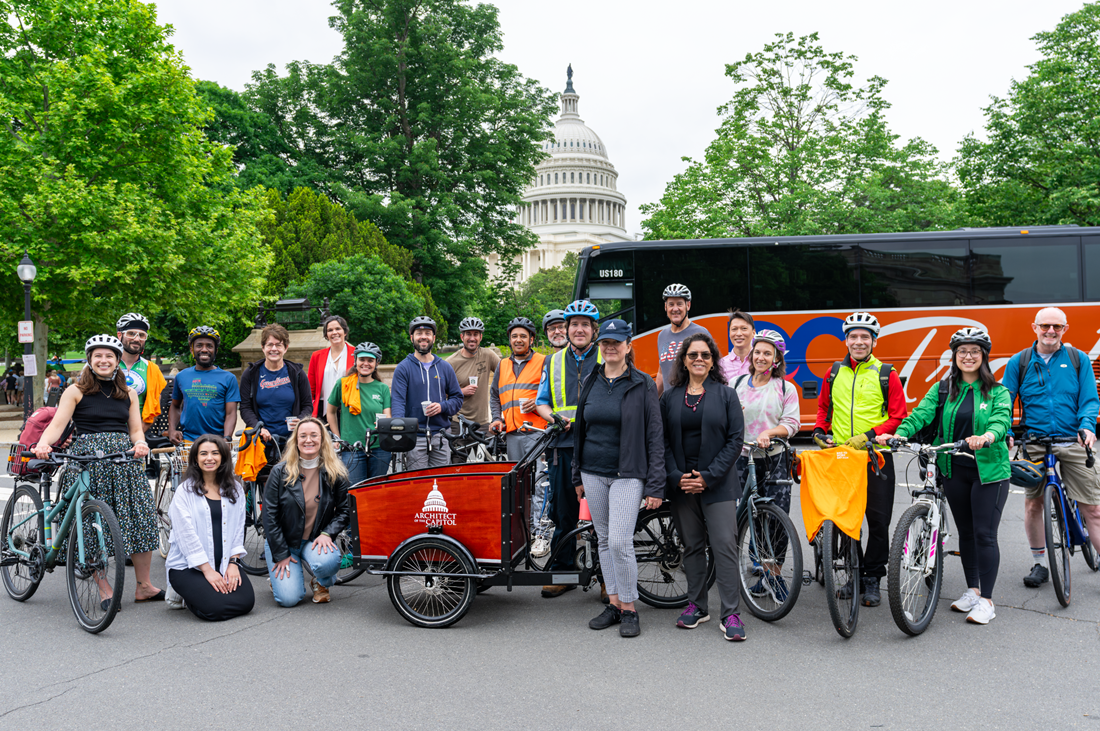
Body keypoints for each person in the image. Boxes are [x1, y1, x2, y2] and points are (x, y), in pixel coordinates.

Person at [877, 327, 1011, 625]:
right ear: (955, 356)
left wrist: (987, 435)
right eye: (962, 351)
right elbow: (921, 414)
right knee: (966, 534)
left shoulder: (997, 391)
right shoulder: (943, 388)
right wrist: (899, 433)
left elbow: (1002, 420)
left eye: (974, 351)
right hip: (953, 468)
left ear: (983, 356)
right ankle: (973, 591)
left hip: (988, 471)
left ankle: (987, 601)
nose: (968, 356)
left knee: (984, 535)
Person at [33, 335, 163, 603]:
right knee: (91, 526)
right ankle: (104, 587)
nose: (104, 360)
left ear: (117, 361)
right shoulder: (76, 391)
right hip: (87, 462)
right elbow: (57, 426)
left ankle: (144, 586)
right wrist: (43, 444)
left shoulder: (127, 392)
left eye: (109, 356)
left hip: (122, 460)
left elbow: (136, 429)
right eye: (98, 356)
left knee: (142, 518)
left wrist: (140, 444)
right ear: (90, 361)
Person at [573, 319, 664, 638]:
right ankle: (613, 602)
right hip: (592, 471)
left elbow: (655, 434)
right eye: (605, 343)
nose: (610, 347)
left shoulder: (642, 383)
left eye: (617, 342)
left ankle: (629, 608)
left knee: (620, 541)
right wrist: (577, 474)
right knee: (603, 539)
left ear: (628, 346)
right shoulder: (591, 378)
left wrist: (655, 483)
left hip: (628, 472)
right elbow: (580, 429)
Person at [811, 312, 906, 607]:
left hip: (876, 457)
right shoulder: (834, 372)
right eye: (854, 336)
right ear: (846, 340)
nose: (859, 341)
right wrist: (818, 431)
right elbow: (823, 411)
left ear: (874, 341)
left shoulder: (885, 373)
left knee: (878, 522)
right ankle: (856, 573)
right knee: (846, 521)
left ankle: (872, 579)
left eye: (865, 336)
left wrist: (869, 435)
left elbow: (898, 417)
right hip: (842, 457)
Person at [1003, 307, 1100, 588]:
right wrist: (1007, 430)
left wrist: (1087, 426)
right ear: (1034, 327)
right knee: (1033, 504)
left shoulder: (1077, 359)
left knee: (1092, 509)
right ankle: (1040, 563)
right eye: (1045, 326)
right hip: (1034, 442)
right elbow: (1004, 402)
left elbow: (1090, 399)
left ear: (1065, 329)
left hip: (1072, 439)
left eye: (1057, 327)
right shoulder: (1019, 361)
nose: (1050, 331)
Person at [659, 332, 747, 640]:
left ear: (713, 362)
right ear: (683, 360)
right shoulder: (669, 396)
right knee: (693, 546)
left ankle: (731, 613)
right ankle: (696, 606)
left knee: (723, 545)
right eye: (693, 354)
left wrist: (708, 476)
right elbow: (663, 441)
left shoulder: (725, 395)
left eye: (705, 355)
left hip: (718, 484)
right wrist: (675, 475)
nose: (699, 359)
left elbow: (736, 440)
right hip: (681, 484)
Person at [534, 299, 602, 598]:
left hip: (600, 444)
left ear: (593, 330)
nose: (579, 329)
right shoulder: (553, 361)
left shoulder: (608, 355)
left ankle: (604, 578)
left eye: (585, 325)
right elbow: (541, 402)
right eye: (574, 324)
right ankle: (563, 571)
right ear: (567, 329)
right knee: (564, 511)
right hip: (563, 445)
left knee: (602, 514)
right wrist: (554, 418)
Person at [732, 330, 800, 603]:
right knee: (750, 516)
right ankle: (758, 571)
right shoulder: (737, 383)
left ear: (776, 358)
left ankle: (773, 575)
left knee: (776, 517)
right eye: (757, 352)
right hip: (742, 458)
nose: (760, 357)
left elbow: (792, 424)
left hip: (773, 458)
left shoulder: (785, 387)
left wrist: (770, 432)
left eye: (767, 354)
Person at [263, 417, 351, 606]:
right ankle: (280, 579)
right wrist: (280, 553)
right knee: (289, 599)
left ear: (323, 439)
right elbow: (269, 516)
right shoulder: (279, 472)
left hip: (314, 540)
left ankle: (319, 582)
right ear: (295, 440)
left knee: (328, 562)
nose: (308, 440)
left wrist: (328, 533)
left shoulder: (336, 472)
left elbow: (345, 510)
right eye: (302, 435)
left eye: (314, 435)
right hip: (283, 543)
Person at [165, 435, 255, 621]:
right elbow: (185, 536)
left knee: (247, 601)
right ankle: (183, 593)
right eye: (203, 453)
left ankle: (202, 593)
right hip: (188, 567)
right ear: (196, 459)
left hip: (223, 563)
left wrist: (233, 563)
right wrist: (207, 571)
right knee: (214, 609)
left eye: (215, 453)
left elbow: (238, 530)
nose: (209, 458)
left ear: (223, 457)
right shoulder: (185, 491)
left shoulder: (236, 489)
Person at [489, 317, 547, 534]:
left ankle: (541, 531)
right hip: (512, 434)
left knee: (539, 484)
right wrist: (496, 418)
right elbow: (495, 394)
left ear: (531, 339)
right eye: (514, 336)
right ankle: (522, 530)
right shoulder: (503, 364)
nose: (519, 340)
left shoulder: (543, 361)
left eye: (523, 336)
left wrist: (539, 402)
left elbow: (552, 391)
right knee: (518, 485)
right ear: (510, 340)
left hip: (537, 432)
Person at [391, 316, 463, 469]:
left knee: (441, 483)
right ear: (412, 338)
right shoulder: (403, 368)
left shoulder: (445, 367)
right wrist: (400, 432)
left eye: (428, 333)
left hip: (441, 436)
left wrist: (442, 407)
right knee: (418, 484)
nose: (423, 336)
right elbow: (398, 402)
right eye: (419, 333)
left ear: (434, 338)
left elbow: (457, 399)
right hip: (415, 437)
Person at [239, 323, 313, 458]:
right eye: (269, 344)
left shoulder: (297, 373)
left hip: (291, 442)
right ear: (263, 348)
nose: (274, 349)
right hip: (260, 441)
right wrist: (258, 428)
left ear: (286, 348)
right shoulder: (251, 374)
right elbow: (245, 408)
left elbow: (307, 405)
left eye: (279, 345)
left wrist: (301, 420)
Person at [327, 342, 391, 483]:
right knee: (355, 490)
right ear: (355, 361)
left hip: (379, 448)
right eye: (362, 359)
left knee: (377, 488)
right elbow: (330, 412)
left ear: (377, 363)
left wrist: (384, 423)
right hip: (351, 448)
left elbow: (388, 416)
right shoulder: (343, 384)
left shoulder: (383, 388)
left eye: (370, 360)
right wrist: (337, 437)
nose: (365, 364)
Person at [168, 327, 240, 444]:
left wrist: (227, 438)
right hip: (188, 440)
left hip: (218, 442)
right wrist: (172, 430)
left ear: (216, 350)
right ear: (192, 350)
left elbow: (231, 413)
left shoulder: (228, 378)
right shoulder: (181, 376)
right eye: (199, 345)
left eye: (209, 346)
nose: (204, 349)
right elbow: (175, 406)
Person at [115, 312, 168, 431]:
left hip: (138, 434)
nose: (136, 339)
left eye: (142, 335)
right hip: (105, 432)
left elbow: (154, 409)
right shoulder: (105, 364)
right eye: (131, 334)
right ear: (120, 335)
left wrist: (136, 436)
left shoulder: (152, 369)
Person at [446, 317, 500, 431]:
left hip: (483, 422)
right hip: (458, 422)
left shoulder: (488, 355)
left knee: (494, 448)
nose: (472, 338)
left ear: (480, 337)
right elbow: (440, 392)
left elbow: (506, 373)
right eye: (468, 334)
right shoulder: (450, 362)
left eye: (476, 334)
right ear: (462, 337)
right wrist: (461, 391)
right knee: (457, 449)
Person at [655, 283, 707, 396]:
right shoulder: (662, 336)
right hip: (669, 406)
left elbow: (712, 370)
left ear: (688, 306)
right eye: (671, 304)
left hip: (694, 403)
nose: (675, 309)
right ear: (665, 307)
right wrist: (651, 402)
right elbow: (661, 372)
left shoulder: (701, 333)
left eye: (679, 304)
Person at [307, 315, 354, 419]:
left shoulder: (355, 354)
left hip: (349, 408)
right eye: (330, 330)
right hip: (322, 409)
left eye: (338, 329)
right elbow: (310, 388)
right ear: (326, 335)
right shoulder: (317, 356)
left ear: (345, 332)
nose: (334, 332)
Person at [718, 310, 756, 385]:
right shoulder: (720, 365)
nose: (738, 334)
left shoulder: (761, 361)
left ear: (753, 333)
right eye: (734, 329)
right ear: (729, 333)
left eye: (744, 328)